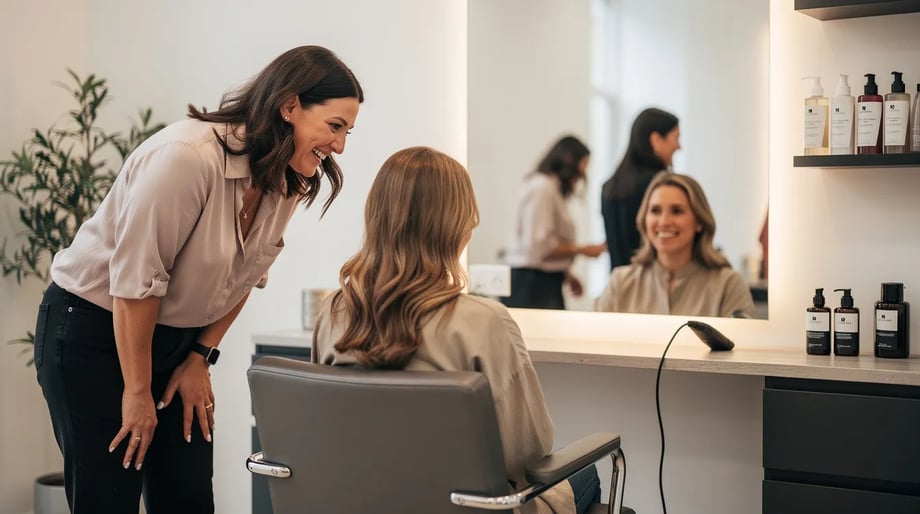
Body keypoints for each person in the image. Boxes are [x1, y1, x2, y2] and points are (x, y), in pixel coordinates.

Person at [32, 45, 363, 514]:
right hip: (93, 332)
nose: (340, 146)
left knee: (187, 497)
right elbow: (136, 283)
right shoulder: (187, 157)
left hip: (174, 341)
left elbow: (244, 277)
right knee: (109, 498)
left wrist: (199, 357)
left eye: (348, 131)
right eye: (335, 126)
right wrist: (138, 391)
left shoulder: (286, 177)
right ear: (289, 106)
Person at [312, 146, 601, 514]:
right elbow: (529, 451)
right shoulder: (485, 322)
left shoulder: (332, 313)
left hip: (361, 503)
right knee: (587, 474)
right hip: (471, 508)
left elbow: (326, 432)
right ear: (459, 226)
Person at [596, 172, 754, 318]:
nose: (664, 222)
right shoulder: (620, 283)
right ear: (644, 219)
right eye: (655, 211)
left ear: (699, 221)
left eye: (677, 211)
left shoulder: (728, 286)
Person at [502, 135, 606, 310]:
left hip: (541, 281)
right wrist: (582, 249)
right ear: (570, 161)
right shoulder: (543, 188)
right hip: (532, 284)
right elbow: (540, 246)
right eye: (582, 166)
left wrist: (566, 274)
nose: (582, 175)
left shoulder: (549, 188)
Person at [601, 107, 680, 270]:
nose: (678, 146)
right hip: (653, 279)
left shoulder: (609, 187)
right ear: (656, 139)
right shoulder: (660, 185)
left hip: (619, 280)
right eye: (676, 138)